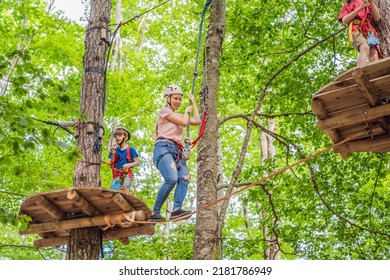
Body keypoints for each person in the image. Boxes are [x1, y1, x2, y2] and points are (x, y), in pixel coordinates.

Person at [149, 85, 201, 222]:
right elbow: (184, 123)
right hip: (163, 148)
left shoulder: (177, 115)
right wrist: (186, 112)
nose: (178, 101)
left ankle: (176, 210)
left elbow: (198, 121)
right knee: (171, 178)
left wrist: (193, 103)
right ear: (167, 98)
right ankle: (155, 212)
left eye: (180, 99)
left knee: (185, 177)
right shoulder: (164, 111)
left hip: (176, 151)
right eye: (175, 98)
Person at [338, 0, 381, 68]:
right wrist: (359, 8)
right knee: (364, 47)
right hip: (356, 29)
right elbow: (345, 20)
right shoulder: (346, 7)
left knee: (374, 53)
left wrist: (371, 2)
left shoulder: (367, 3)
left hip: (369, 30)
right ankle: (360, 70)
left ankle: (374, 72)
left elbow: (377, 18)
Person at [108, 126, 139, 195]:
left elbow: (137, 162)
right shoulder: (114, 150)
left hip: (127, 174)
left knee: (125, 187)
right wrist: (113, 154)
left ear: (125, 137)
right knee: (114, 189)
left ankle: (126, 203)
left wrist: (129, 165)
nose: (117, 137)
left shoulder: (131, 149)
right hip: (118, 174)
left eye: (119, 135)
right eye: (115, 136)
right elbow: (112, 164)